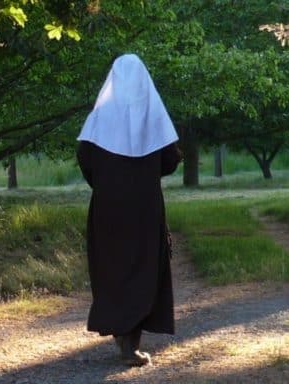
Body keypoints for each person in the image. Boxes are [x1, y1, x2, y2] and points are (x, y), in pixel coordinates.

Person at [76, 53, 182, 366]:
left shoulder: (100, 117)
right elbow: (170, 160)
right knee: (143, 266)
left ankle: (122, 335)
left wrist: (107, 184)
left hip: (108, 208)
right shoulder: (154, 113)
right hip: (145, 208)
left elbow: (85, 159)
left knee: (112, 267)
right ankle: (131, 342)